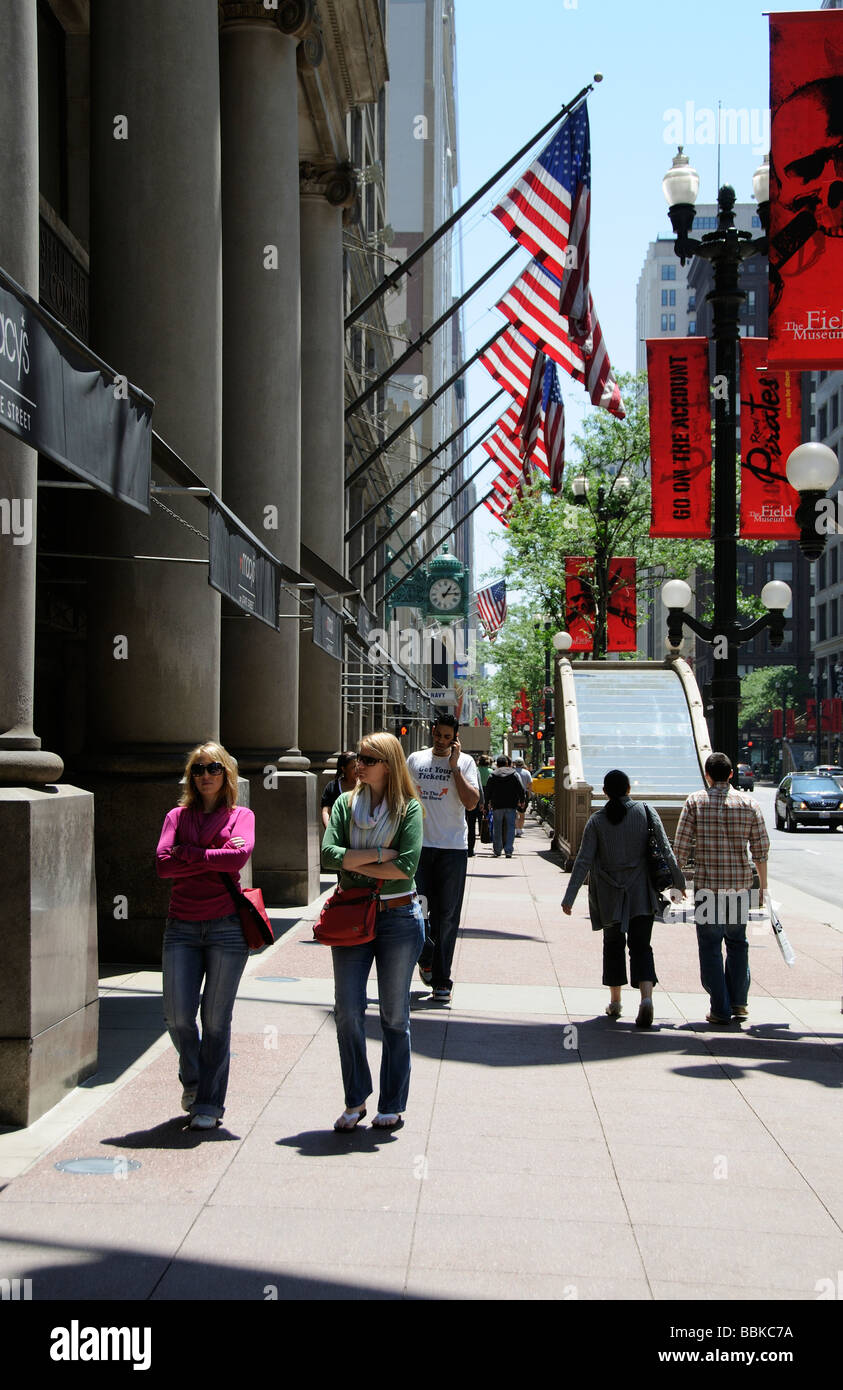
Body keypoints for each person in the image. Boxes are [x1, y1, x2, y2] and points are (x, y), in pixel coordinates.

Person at [321, 731, 424, 1131]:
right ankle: (355, 1099)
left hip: (398, 918)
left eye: (367, 759)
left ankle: (393, 1102)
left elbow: (407, 868)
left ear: (388, 764)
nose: (358, 765)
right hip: (351, 917)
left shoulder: (409, 809)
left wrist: (354, 863)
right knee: (347, 1012)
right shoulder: (346, 804)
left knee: (394, 1015)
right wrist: (381, 854)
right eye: (358, 759)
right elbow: (330, 855)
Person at [156, 742, 255, 1129]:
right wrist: (211, 855)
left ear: (226, 773)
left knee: (215, 1020)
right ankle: (194, 1079)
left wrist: (190, 854)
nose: (205, 775)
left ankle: (210, 1105)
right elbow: (163, 866)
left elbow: (238, 859)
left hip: (227, 928)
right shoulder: (176, 816)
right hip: (180, 926)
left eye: (213, 768)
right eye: (198, 769)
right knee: (178, 1016)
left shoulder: (241, 815)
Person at [561, 769, 685, 1028]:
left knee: (613, 945)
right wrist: (679, 881)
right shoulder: (645, 812)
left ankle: (616, 1002)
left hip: (608, 896)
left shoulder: (596, 821)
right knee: (642, 946)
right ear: (629, 789)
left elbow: (583, 860)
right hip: (641, 892)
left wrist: (569, 897)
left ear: (604, 792)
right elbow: (665, 848)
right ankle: (646, 999)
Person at [673, 751, 770, 1025]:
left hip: (707, 887)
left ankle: (720, 1007)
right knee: (738, 943)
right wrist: (762, 887)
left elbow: (680, 848)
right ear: (730, 774)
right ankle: (739, 1003)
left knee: (710, 945)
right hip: (740, 887)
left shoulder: (695, 802)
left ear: (707, 775)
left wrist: (677, 883)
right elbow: (761, 850)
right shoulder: (749, 803)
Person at [407, 715, 480, 1003]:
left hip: (452, 849)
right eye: (438, 735)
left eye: (447, 737)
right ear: (432, 732)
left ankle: (441, 979)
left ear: (455, 738)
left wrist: (454, 769)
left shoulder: (465, 764)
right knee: (417, 909)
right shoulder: (415, 760)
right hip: (419, 847)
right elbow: (403, 796)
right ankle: (425, 955)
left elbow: (472, 802)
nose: (441, 741)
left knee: (447, 916)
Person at [484, 755, 526, 858]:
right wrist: (522, 800)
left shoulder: (493, 775)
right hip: (511, 805)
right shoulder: (514, 774)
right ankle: (508, 850)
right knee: (511, 827)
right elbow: (521, 788)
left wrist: (486, 805)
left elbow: (488, 792)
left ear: (497, 764)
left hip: (497, 805)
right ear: (507, 763)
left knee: (497, 827)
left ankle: (497, 850)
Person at [321, 751, 359, 830]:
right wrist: (330, 831)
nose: (357, 769)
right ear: (343, 769)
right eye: (353, 767)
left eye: (358, 766)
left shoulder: (365, 785)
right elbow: (326, 812)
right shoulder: (332, 787)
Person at [513, 758, 533, 837]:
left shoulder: (512, 772)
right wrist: (529, 793)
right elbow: (530, 783)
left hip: (514, 794)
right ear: (523, 764)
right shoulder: (526, 772)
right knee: (522, 813)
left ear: (515, 764)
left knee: (515, 813)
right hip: (523, 794)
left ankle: (516, 828)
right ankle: (520, 829)